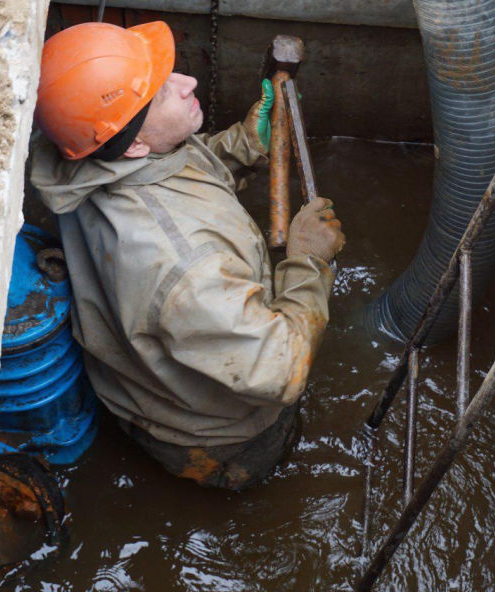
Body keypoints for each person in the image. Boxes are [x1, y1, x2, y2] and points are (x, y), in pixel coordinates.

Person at [30, 21, 345, 490]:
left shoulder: (86, 153)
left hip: (141, 385)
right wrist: (308, 263)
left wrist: (243, 145)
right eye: (160, 92)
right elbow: (282, 367)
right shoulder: (184, 268)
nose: (186, 82)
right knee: (265, 474)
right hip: (214, 436)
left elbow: (166, 175)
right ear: (134, 142)